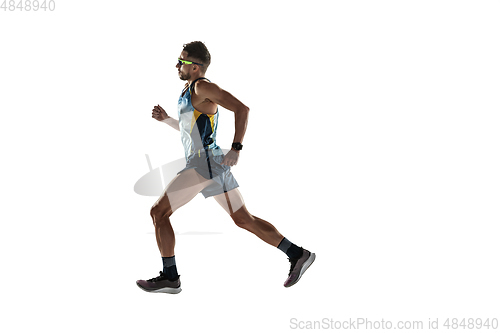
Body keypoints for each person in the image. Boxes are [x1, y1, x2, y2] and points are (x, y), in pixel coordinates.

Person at [136, 41, 315, 294]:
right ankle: (298, 254)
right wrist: (167, 120)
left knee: (159, 212)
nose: (177, 65)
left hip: (204, 163)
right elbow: (192, 131)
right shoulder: (189, 90)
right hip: (210, 163)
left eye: (182, 61)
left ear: (196, 67)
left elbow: (242, 109)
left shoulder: (202, 86)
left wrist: (236, 148)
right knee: (244, 219)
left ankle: (170, 276)